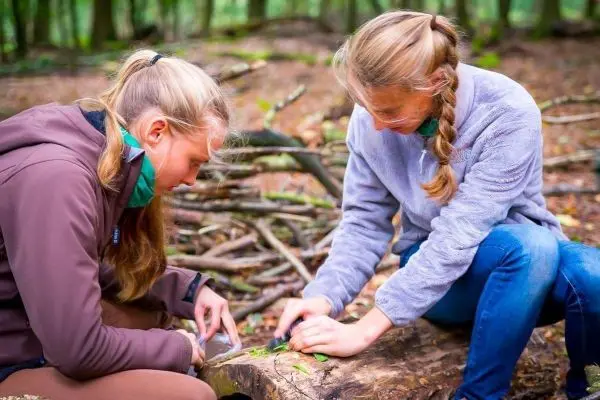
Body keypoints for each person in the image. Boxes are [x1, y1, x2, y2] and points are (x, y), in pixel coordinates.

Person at [275, 11, 600, 400]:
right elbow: (363, 223)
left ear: (437, 82)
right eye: (367, 107)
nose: (376, 124)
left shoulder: (507, 110)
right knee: (531, 248)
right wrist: (324, 295)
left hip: (526, 269)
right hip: (445, 285)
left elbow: (461, 231)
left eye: (391, 112)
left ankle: (590, 388)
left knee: (590, 274)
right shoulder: (369, 120)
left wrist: (364, 330)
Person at [0, 50, 240, 400]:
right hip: (11, 356)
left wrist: (187, 290)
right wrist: (177, 349)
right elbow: (78, 350)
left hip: (23, 326)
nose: (192, 179)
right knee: (191, 396)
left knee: (151, 315)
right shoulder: (58, 179)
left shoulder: (101, 159)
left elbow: (77, 268)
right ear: (157, 132)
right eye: (193, 161)